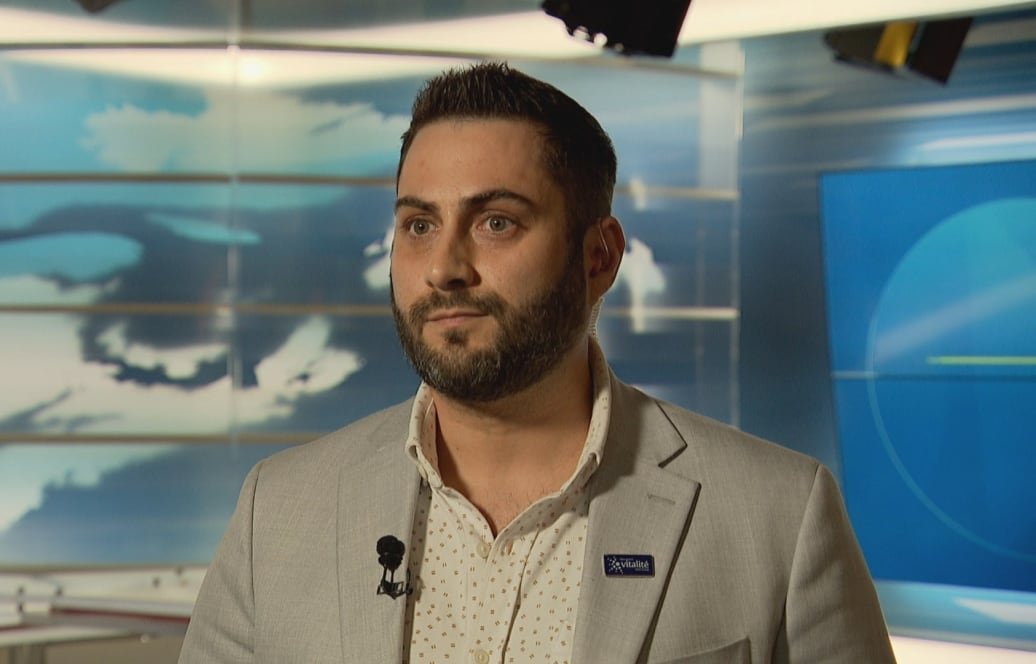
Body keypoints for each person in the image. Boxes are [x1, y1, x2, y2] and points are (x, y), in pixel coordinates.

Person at [179, 62, 895, 663]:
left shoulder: (777, 515)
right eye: (419, 224)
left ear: (599, 256)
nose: (445, 268)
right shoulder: (277, 511)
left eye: (497, 222)